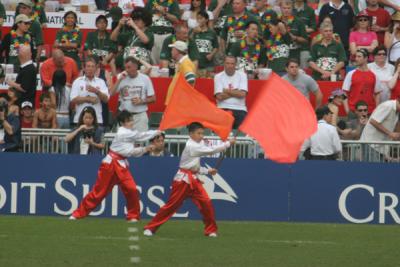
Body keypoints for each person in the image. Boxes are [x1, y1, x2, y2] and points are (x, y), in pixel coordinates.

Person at [143, 122, 235, 237]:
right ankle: (151, 228)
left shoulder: (197, 144)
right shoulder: (191, 146)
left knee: (206, 203)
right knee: (171, 206)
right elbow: (210, 150)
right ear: (191, 134)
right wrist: (227, 144)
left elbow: (194, 167)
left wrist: (207, 171)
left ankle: (211, 230)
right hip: (182, 180)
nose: (201, 136)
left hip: (194, 179)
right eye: (199, 133)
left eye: (202, 133)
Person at [69, 110, 160, 221]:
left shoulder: (129, 133)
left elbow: (130, 151)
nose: (131, 123)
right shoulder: (123, 132)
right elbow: (139, 138)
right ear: (122, 123)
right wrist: (158, 131)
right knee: (99, 193)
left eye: (131, 120)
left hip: (121, 164)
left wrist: (145, 149)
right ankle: (78, 214)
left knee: (132, 189)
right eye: (128, 121)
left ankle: (133, 216)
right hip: (110, 164)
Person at [110, 57, 156, 132]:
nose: (127, 70)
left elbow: (153, 99)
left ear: (136, 67)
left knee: (140, 142)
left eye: (129, 67)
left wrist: (141, 101)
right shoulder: (121, 77)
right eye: (125, 68)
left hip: (140, 116)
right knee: (124, 142)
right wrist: (119, 79)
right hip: (125, 117)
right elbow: (111, 93)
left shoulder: (145, 78)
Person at [70, 57, 110, 126]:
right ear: (84, 68)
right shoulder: (77, 81)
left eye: (92, 66)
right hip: (80, 119)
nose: (90, 69)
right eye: (88, 66)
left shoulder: (101, 82)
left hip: (97, 120)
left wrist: (97, 91)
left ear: (96, 68)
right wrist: (88, 99)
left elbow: (106, 99)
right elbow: (73, 99)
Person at [342, 49, 381, 114]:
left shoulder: (374, 75)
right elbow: (344, 93)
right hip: (353, 111)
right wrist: (347, 110)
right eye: (356, 56)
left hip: (370, 111)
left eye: (359, 56)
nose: (356, 59)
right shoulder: (350, 74)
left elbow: (377, 93)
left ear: (366, 58)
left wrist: (376, 110)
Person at [214, 55, 248, 129]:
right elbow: (219, 97)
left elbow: (243, 94)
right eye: (228, 63)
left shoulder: (242, 75)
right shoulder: (218, 76)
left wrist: (226, 90)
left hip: (240, 108)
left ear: (235, 65)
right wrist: (236, 91)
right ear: (224, 64)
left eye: (232, 63)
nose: (230, 66)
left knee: (242, 135)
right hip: (223, 107)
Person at [145, 0, 180, 64]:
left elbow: (177, 20)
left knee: (166, 60)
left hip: (167, 36)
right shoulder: (150, 2)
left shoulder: (173, 2)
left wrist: (164, 12)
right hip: (152, 35)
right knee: (153, 62)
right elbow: (144, 19)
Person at [190, 11, 219, 78]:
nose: (199, 20)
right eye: (198, 18)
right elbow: (188, 43)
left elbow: (216, 46)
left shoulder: (212, 32)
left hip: (208, 64)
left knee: (208, 83)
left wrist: (211, 54)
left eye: (201, 18)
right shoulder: (193, 31)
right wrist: (193, 33)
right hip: (195, 63)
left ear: (206, 20)